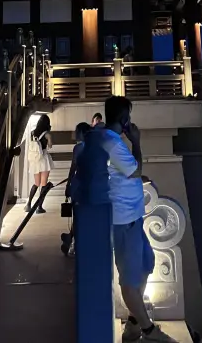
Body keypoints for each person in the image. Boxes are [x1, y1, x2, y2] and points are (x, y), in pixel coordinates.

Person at [99, 95, 177, 343]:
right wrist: (137, 142)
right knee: (130, 279)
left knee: (146, 264)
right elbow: (137, 170)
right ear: (123, 119)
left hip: (133, 218)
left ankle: (133, 323)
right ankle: (148, 330)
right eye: (128, 117)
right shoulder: (113, 144)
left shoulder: (111, 141)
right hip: (123, 221)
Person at [62, 121, 91, 256]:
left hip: (78, 184)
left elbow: (73, 168)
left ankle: (72, 241)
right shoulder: (95, 147)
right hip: (89, 185)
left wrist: (68, 185)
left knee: (77, 215)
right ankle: (72, 239)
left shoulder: (78, 148)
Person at [26, 113, 53, 214]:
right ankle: (39, 207)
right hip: (44, 160)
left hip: (35, 159)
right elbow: (50, 146)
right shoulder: (47, 134)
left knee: (36, 183)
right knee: (43, 184)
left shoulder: (33, 132)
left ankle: (28, 204)